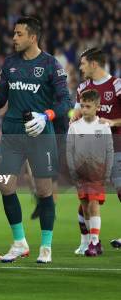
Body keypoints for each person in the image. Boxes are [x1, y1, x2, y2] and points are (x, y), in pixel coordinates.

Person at [0, 16, 71, 263]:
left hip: (40, 133)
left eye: (18, 34)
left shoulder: (51, 65)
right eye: (14, 34)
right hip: (13, 132)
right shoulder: (10, 64)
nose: (13, 38)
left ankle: (46, 247)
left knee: (44, 190)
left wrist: (45, 116)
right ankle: (19, 242)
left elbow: (66, 102)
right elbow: (0, 101)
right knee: (6, 186)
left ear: (32, 37)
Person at [72, 48, 121, 252]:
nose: (80, 67)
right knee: (86, 198)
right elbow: (74, 115)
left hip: (117, 148)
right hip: (89, 155)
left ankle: (91, 241)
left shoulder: (117, 85)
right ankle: (88, 241)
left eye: (83, 63)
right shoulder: (83, 87)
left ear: (94, 64)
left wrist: (112, 121)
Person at [67, 89, 113, 257]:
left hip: (97, 172)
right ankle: (95, 242)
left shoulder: (104, 126)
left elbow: (109, 150)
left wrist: (107, 172)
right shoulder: (74, 127)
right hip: (80, 173)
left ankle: (93, 241)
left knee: (93, 204)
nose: (84, 109)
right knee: (85, 207)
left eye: (88, 106)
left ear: (97, 107)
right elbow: (69, 151)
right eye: (83, 106)